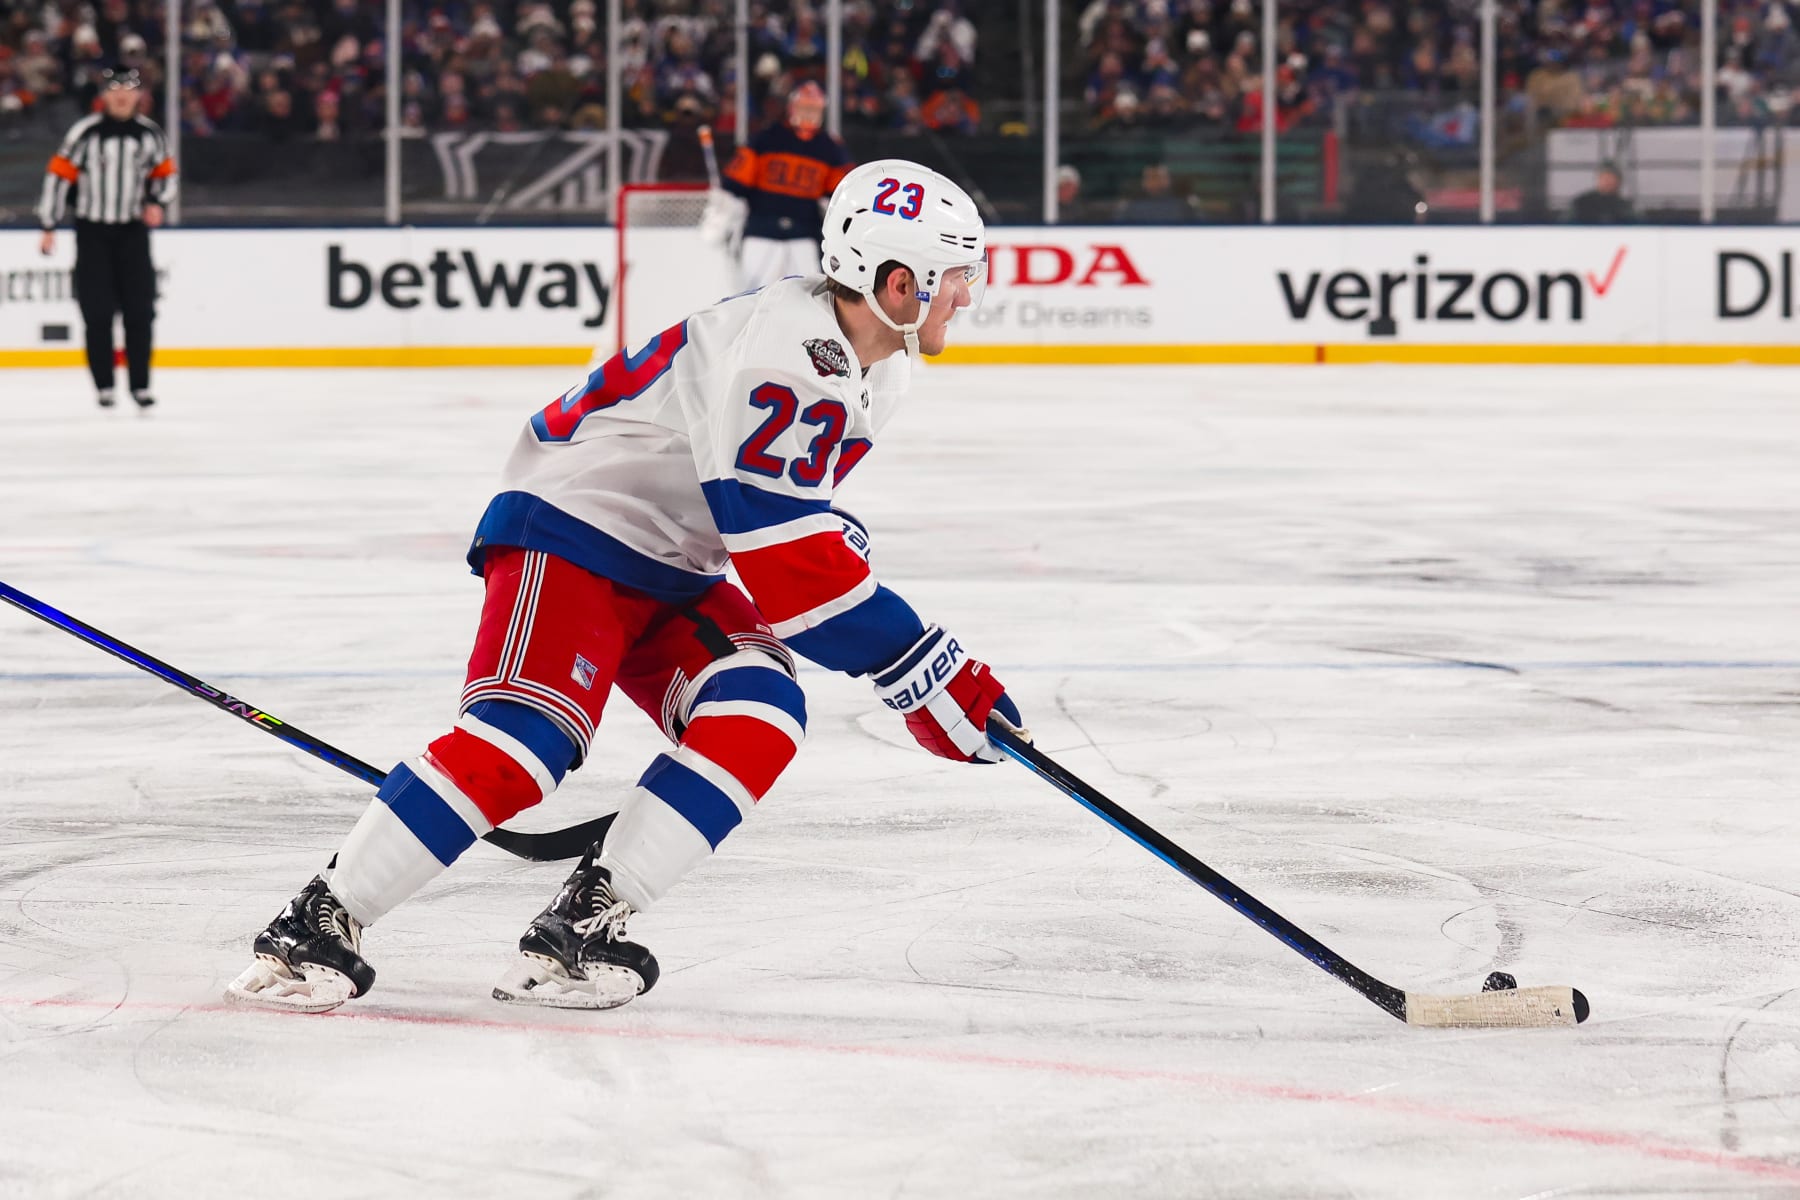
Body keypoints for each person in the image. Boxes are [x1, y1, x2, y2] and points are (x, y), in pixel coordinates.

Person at [225, 158, 1021, 1014]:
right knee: (525, 743)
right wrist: (923, 665)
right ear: (899, 284)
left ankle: (580, 929)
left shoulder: (875, 363)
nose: (965, 299)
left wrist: (880, 622)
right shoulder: (791, 356)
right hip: (574, 529)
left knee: (756, 710)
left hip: (672, 561)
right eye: (956, 280)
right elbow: (789, 567)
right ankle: (314, 925)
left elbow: (785, 520)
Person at [37, 66, 177, 410]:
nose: (121, 96)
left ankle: (140, 385)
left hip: (132, 231)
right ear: (103, 95)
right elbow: (58, 178)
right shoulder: (84, 133)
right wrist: (49, 224)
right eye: (114, 89)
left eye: (128, 90)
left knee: (140, 312)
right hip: (93, 231)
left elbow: (166, 175)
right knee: (97, 312)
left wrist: (157, 202)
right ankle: (104, 385)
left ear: (138, 96)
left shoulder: (150, 135)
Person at [715, 82, 853, 290]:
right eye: (804, 108)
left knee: (808, 295)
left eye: (814, 109)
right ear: (792, 109)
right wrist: (722, 215)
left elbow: (840, 193)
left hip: (803, 233)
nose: (809, 114)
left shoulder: (830, 148)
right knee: (750, 295)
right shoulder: (766, 139)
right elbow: (735, 184)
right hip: (761, 230)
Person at [1569, 162, 1635, 224]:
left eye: (1612, 178)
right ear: (1598, 180)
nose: (1608, 182)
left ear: (1619, 182)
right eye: (1605, 178)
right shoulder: (1581, 203)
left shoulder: (1625, 208)